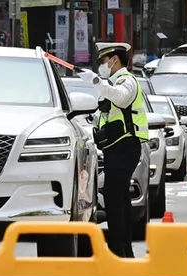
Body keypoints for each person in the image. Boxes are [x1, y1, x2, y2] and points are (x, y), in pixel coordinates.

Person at [77, 42, 148, 258]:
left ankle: (118, 251)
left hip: (125, 146)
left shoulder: (126, 81)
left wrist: (97, 82)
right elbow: (106, 112)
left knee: (115, 198)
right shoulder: (114, 82)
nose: (102, 65)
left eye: (104, 60)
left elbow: (120, 97)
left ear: (114, 59)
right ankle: (124, 250)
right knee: (119, 199)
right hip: (116, 146)